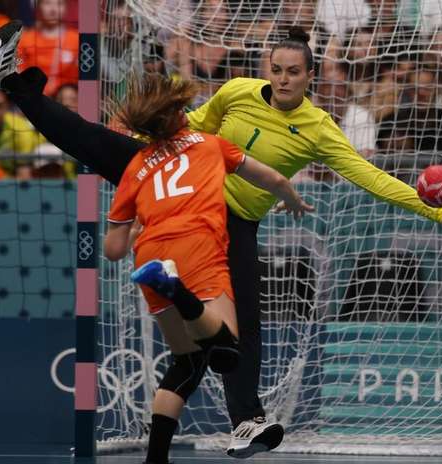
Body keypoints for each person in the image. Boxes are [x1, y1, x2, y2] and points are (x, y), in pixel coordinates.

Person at [0, 21, 442, 458]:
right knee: (94, 142)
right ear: (268, 69)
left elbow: (369, 176)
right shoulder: (237, 91)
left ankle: (245, 421)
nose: (283, 79)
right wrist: (144, 146)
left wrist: (436, 211)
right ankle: (12, 78)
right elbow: (195, 129)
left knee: (238, 330)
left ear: (310, 76)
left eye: (294, 72)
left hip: (235, 223)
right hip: (188, 196)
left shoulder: (319, 128)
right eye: (277, 69)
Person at [103, 73, 312, 464]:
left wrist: (134, 227)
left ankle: (155, 459)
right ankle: (177, 290)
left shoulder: (137, 165)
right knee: (228, 347)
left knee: (186, 361)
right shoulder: (210, 144)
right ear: (180, 114)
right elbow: (274, 178)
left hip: (149, 251)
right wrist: (292, 198)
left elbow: (113, 249)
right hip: (197, 245)